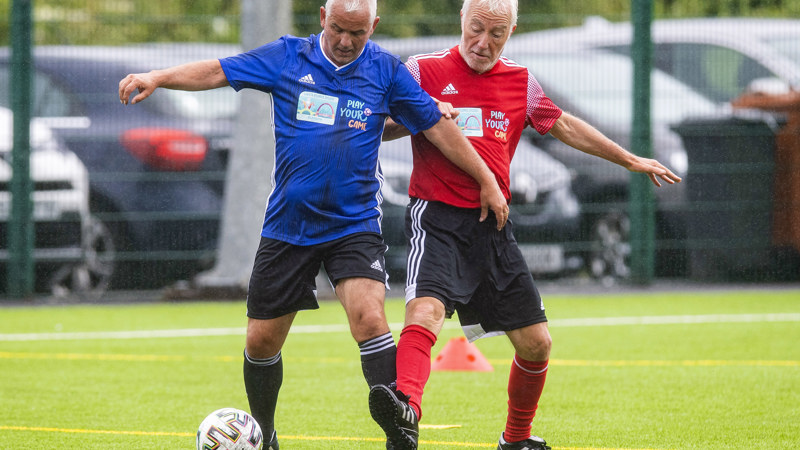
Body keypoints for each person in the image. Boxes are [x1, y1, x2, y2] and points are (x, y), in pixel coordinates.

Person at [118, 1, 508, 449]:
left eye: (357, 33)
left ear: (373, 27)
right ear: (323, 17)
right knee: (261, 340)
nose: (345, 41)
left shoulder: (386, 71)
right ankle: (264, 435)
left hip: (354, 222)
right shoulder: (287, 57)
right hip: (289, 224)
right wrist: (158, 77)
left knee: (369, 316)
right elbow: (217, 71)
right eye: (338, 28)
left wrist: (485, 180)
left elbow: (437, 126)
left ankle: (402, 435)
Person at [367, 0, 683, 449]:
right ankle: (406, 412)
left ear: (512, 30)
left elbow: (562, 124)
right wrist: (422, 114)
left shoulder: (520, 81)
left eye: (497, 33)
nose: (483, 42)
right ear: (462, 19)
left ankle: (515, 440)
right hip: (436, 218)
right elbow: (378, 126)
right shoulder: (421, 70)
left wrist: (629, 159)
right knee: (425, 312)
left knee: (537, 344)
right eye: (476, 29)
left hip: (494, 227)